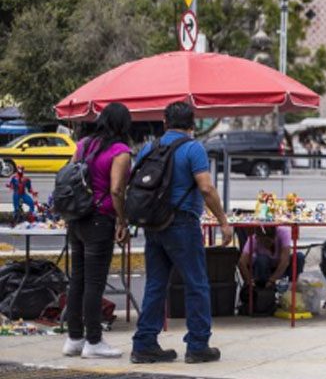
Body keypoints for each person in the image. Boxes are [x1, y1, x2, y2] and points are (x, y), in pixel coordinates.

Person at [131, 102, 233, 365]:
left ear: (165, 123)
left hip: (153, 224)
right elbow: (207, 188)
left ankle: (144, 344)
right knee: (196, 284)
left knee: (155, 284)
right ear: (192, 124)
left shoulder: (149, 148)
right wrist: (223, 221)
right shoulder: (192, 148)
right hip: (182, 225)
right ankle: (198, 345)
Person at [62, 103, 132, 359]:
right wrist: (122, 221)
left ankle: (74, 338)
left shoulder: (83, 144)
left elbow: (70, 176)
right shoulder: (120, 151)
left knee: (77, 281)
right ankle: (93, 341)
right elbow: (116, 190)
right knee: (94, 283)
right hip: (100, 220)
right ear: (124, 125)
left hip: (77, 219)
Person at [238, 225, 305, 289]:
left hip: (280, 267)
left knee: (299, 257)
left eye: (268, 241)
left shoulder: (284, 232)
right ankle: (262, 286)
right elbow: (241, 262)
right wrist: (249, 280)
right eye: (262, 242)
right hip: (262, 270)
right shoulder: (253, 239)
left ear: (274, 237)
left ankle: (292, 285)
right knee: (262, 259)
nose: (266, 245)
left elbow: (285, 261)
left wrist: (272, 280)